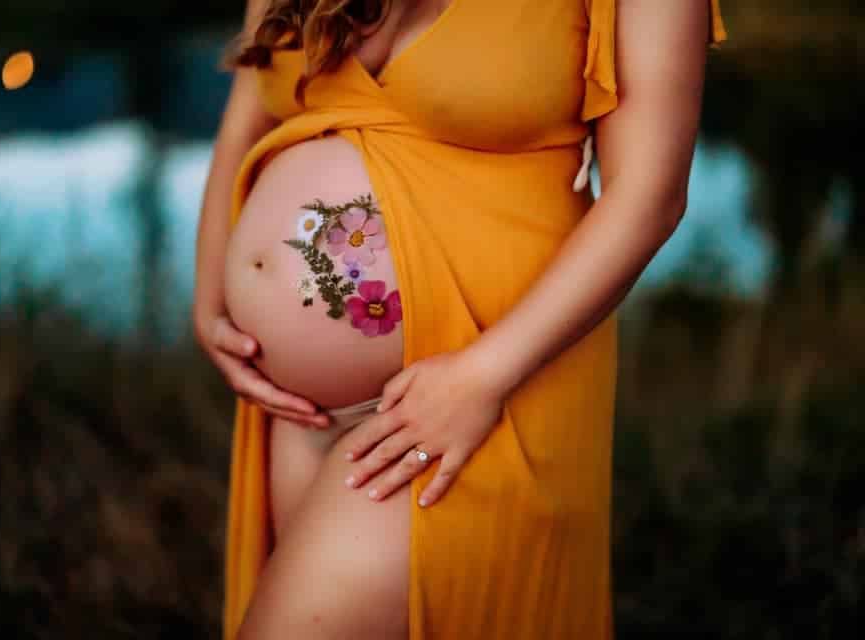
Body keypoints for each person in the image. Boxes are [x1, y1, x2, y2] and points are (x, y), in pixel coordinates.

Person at [194, 1, 728, 638]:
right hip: (292, 413)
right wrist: (210, 300)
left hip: (476, 398)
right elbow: (245, 117)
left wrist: (481, 378)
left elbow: (650, 195)